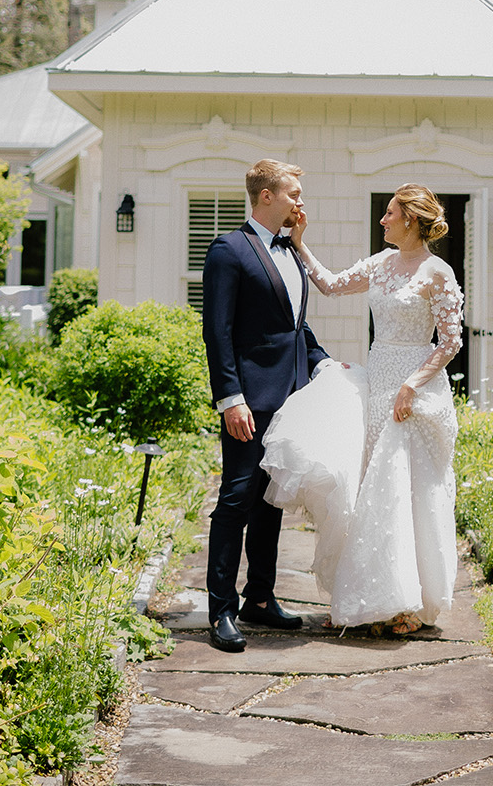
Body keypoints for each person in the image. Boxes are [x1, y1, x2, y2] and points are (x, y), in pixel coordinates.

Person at [263, 183, 464, 635]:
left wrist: (412, 386)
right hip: (379, 383)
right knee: (377, 489)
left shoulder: (437, 273)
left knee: (410, 489)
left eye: (390, 213)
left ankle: (411, 603)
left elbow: (451, 342)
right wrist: (300, 244)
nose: (383, 220)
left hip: (416, 390)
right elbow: (332, 286)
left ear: (410, 219)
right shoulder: (380, 264)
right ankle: (385, 596)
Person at [199, 159, 331, 653]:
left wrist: (321, 362)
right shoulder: (228, 250)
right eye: (293, 193)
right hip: (249, 404)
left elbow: (293, 325)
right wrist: (230, 398)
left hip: (292, 400)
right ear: (266, 196)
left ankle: (260, 598)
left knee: (271, 504)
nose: (300, 201)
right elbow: (218, 332)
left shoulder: (292, 251)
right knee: (235, 502)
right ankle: (221, 611)